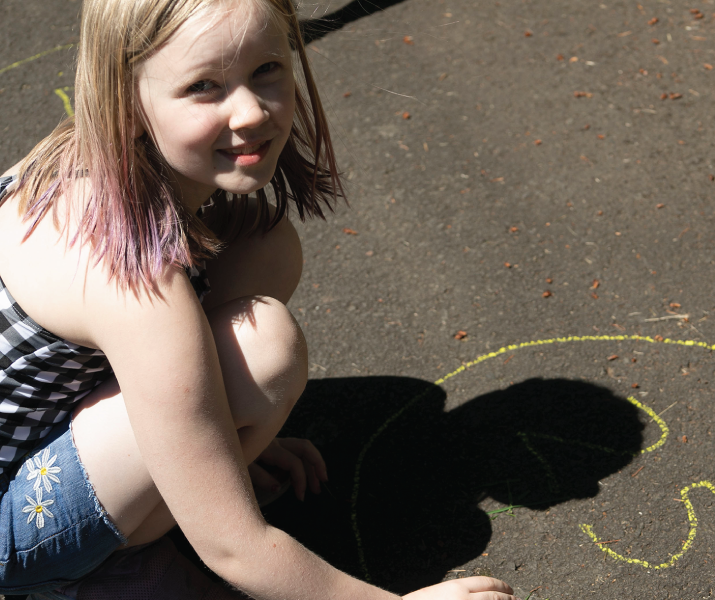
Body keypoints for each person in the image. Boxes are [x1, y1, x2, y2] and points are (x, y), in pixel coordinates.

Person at [0, 1, 518, 599]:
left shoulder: (88, 163)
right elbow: (235, 547)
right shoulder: (129, 270)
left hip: (36, 431)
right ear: (127, 98)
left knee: (264, 244)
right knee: (262, 345)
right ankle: (69, 576)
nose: (249, 111)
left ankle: (176, 482)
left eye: (267, 68)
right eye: (203, 86)